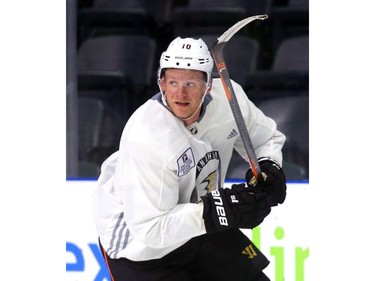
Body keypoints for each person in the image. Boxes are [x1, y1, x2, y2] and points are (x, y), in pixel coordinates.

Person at [91, 37, 287, 281]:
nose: (180, 93)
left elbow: (265, 138)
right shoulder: (148, 137)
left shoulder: (228, 99)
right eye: (173, 82)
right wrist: (218, 210)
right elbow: (150, 229)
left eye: (191, 83)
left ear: (207, 85)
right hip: (141, 250)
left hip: (200, 226)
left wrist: (268, 166)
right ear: (161, 83)